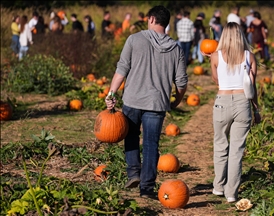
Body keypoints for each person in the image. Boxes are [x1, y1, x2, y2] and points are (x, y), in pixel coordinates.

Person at [105, 5, 188, 199]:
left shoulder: (134, 40)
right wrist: (176, 100)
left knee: (131, 136)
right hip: (157, 103)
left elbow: (122, 69)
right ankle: (147, 187)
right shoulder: (176, 48)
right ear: (166, 24)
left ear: (151, 19)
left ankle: (133, 173)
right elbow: (182, 82)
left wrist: (111, 94)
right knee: (151, 144)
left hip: (132, 100)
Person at [202, 22, 261, 203]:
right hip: (243, 103)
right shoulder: (249, 56)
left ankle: (218, 186)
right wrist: (256, 109)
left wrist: (211, 60)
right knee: (237, 150)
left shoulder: (216, 56)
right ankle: (231, 193)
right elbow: (252, 86)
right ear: (240, 36)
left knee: (220, 145)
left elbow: (216, 80)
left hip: (223, 102)